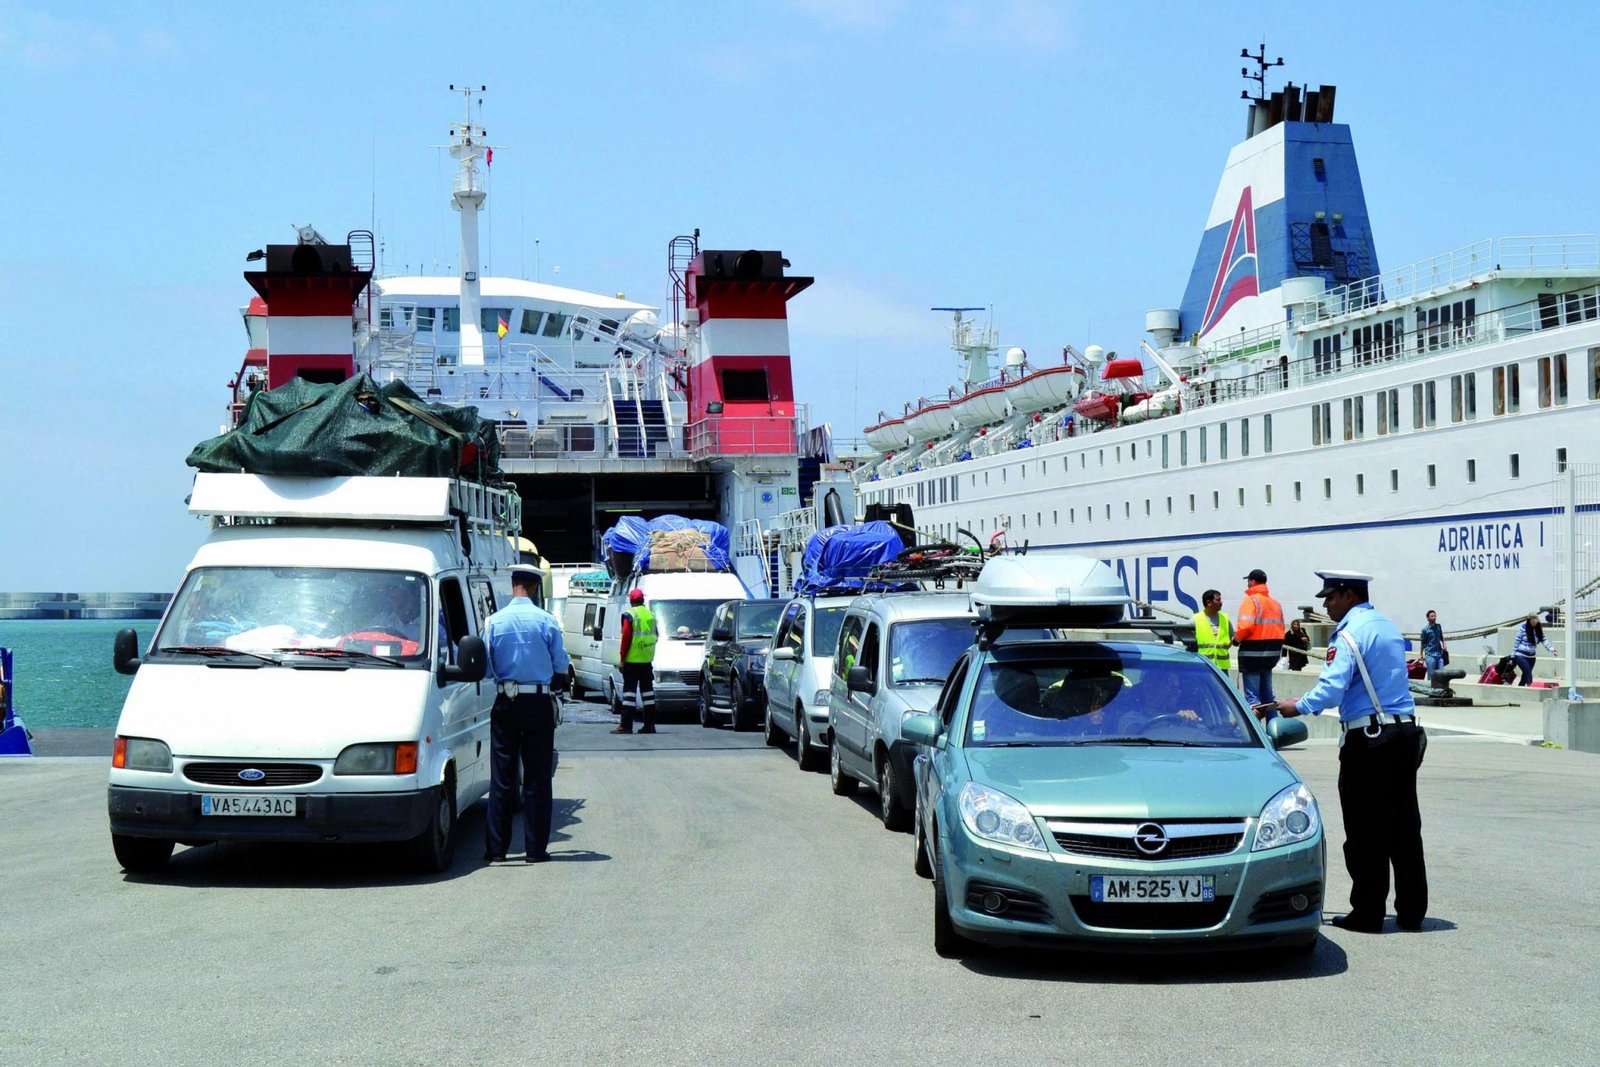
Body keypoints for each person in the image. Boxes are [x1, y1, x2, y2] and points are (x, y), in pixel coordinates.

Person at [1257, 570, 1428, 933]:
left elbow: (1332, 690)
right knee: (1404, 826)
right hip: (1405, 734)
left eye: (1330, 598)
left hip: (1369, 740)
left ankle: (1368, 913)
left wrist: (1296, 706)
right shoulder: (1388, 627)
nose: (1326, 605)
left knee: (1365, 828)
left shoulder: (1349, 633)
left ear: (1349, 596)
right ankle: (1412, 912)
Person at [483, 564, 570, 863]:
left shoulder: (493, 621)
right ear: (534, 588)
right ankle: (535, 851)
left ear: (513, 585)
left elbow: (485, 666)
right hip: (538, 704)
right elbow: (560, 664)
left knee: (502, 779)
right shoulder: (546, 622)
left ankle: (497, 851)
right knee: (537, 779)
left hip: (505, 703)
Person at [1233, 568, 1286, 707]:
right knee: (1268, 698)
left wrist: (1236, 640)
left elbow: (1245, 627)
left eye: (1248, 581)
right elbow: (1281, 628)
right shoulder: (1275, 603)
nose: (1247, 585)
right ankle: (1274, 726)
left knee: (1253, 701)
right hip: (1271, 654)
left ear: (1252, 581)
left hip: (1253, 654)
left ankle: (1252, 727)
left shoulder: (1250, 601)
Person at [612, 588, 658, 735]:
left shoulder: (630, 615)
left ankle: (626, 725)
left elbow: (626, 638)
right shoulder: (651, 615)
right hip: (646, 661)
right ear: (642, 601)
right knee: (648, 695)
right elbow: (656, 635)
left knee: (629, 695)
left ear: (631, 601)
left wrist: (622, 659)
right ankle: (649, 725)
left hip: (632, 661)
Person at [1191, 589, 1233, 677]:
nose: (1221, 602)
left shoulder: (1225, 618)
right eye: (1218, 600)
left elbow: (1231, 637)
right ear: (1209, 602)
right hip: (1203, 665)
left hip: (1222, 667)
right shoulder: (1195, 619)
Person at [1511, 614, 1556, 686]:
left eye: (1536, 621)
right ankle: (1531, 688)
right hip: (1520, 655)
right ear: (1529, 621)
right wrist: (1512, 656)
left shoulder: (1538, 629)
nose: (1534, 623)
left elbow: (1544, 640)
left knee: (1525, 676)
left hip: (1531, 657)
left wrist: (1552, 649)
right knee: (1528, 673)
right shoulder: (1523, 628)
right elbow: (1517, 641)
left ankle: (1520, 689)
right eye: (1533, 621)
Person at [1419, 610, 1447, 675]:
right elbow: (1422, 643)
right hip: (1430, 655)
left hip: (1439, 654)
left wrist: (1444, 644)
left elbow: (1441, 637)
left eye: (1434, 616)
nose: (1434, 617)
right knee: (1431, 676)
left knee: (1441, 675)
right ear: (1428, 618)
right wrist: (1421, 654)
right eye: (1432, 616)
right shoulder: (1425, 630)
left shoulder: (1438, 626)